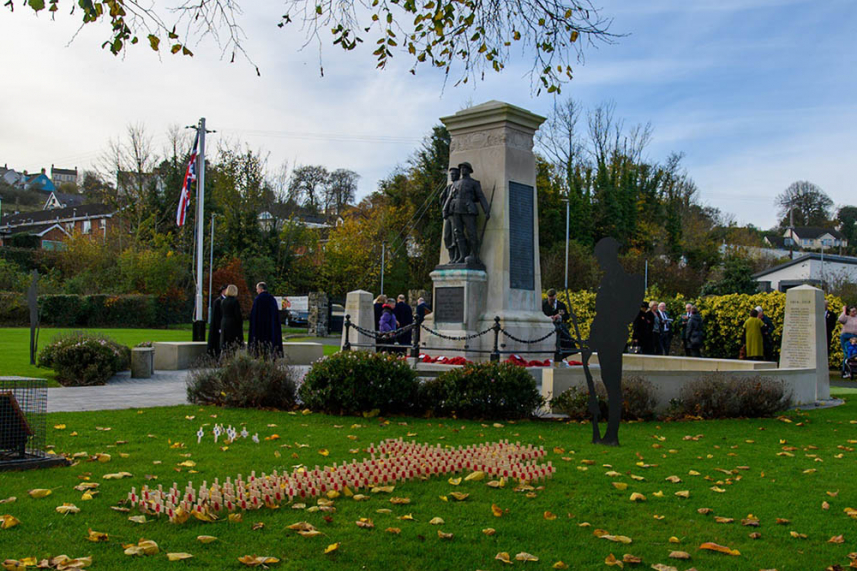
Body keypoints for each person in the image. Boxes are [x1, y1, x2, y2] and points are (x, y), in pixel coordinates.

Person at [587, 237, 645, 446]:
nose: (599, 262)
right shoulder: (609, 279)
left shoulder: (618, 280)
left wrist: (593, 339)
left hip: (611, 336)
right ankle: (609, 434)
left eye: (601, 257)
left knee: (612, 386)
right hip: (605, 335)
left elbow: (608, 313)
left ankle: (612, 434)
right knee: (610, 383)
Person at [446, 162, 490, 265]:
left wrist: (486, 210)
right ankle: (462, 255)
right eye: (461, 168)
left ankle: (474, 255)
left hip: (469, 209)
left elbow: (481, 197)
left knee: (472, 233)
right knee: (458, 233)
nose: (462, 170)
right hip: (456, 209)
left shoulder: (474, 183)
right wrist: (447, 210)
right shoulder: (455, 183)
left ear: (469, 170)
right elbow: (451, 197)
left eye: (465, 168)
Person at [248, 282, 283, 356]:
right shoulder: (272, 299)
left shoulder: (257, 300)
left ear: (260, 289)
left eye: (257, 289)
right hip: (270, 329)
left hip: (259, 329)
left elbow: (253, 316)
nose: (257, 291)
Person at [439, 166, 460, 263]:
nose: (452, 176)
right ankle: (451, 257)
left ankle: (457, 257)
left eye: (454, 174)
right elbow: (442, 198)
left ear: (458, 175)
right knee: (447, 237)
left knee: (455, 236)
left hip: (456, 214)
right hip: (448, 215)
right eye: (451, 174)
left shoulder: (459, 186)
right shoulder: (448, 188)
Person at [220, 284, 244, 351]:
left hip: (224, 322)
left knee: (225, 343)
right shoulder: (235, 301)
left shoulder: (223, 301)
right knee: (232, 343)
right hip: (233, 324)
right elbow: (237, 314)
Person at [207, 284, 227, 358]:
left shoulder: (225, 300)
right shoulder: (218, 301)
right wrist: (219, 327)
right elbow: (217, 315)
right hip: (217, 326)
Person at [838, 306, 857, 376]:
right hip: (846, 336)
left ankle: (853, 370)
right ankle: (845, 370)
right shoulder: (846, 317)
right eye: (852, 311)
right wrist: (844, 311)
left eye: (855, 311)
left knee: (854, 353)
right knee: (846, 353)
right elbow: (840, 320)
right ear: (849, 312)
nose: (854, 312)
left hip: (855, 336)